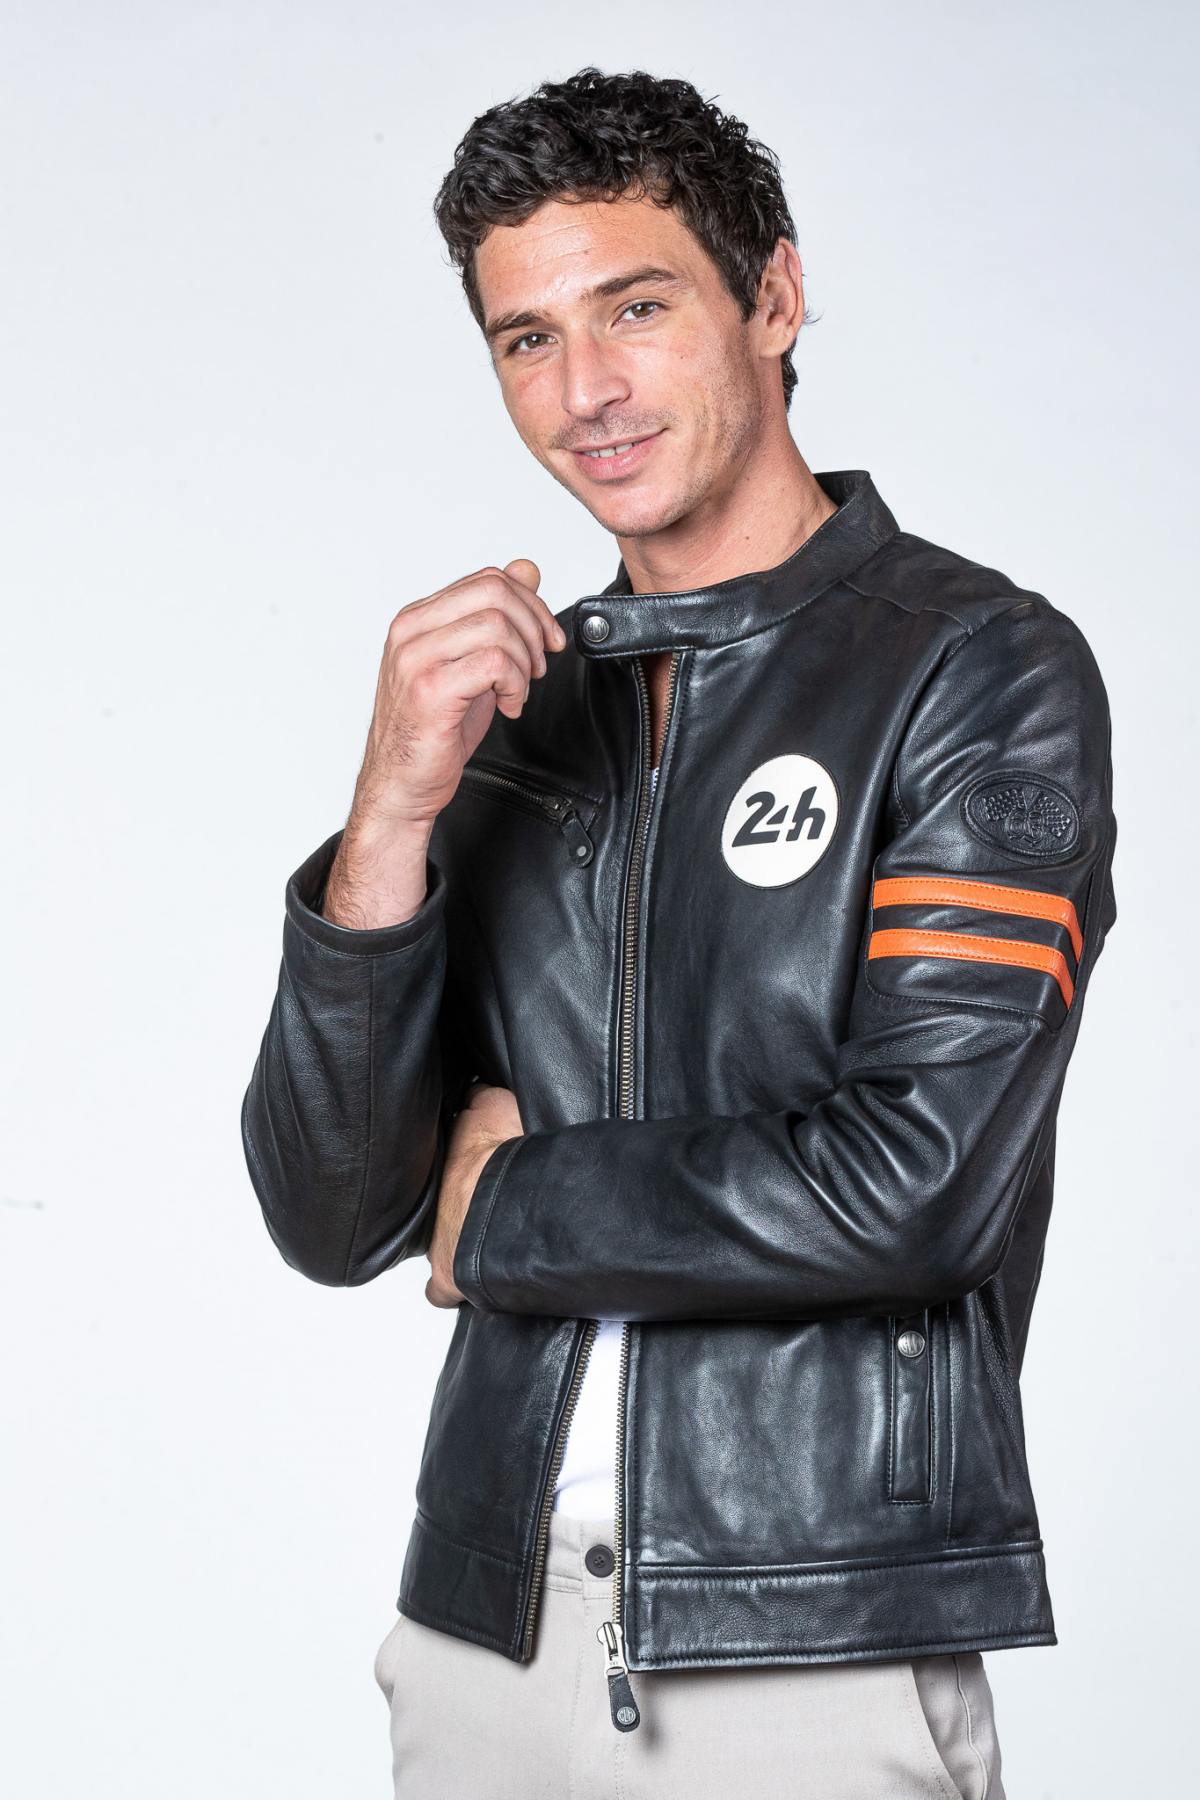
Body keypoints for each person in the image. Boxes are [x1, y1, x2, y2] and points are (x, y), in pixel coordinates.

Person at [240, 66, 1118, 1799]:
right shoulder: (513, 711)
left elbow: (918, 1186)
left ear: (772, 296)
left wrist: (504, 1203)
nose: (585, 391)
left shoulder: (975, 671)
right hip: (483, 1637)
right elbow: (334, 1216)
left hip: (811, 1644)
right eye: (528, 338)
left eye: (635, 308)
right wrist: (391, 814)